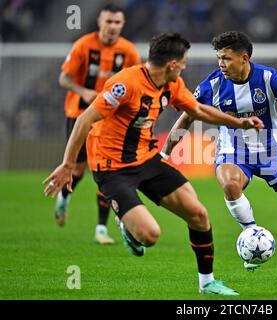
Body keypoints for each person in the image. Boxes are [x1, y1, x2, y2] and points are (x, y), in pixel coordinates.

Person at [43, 32, 263, 295]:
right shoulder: (125, 84)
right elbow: (84, 120)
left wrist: (239, 123)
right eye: (182, 62)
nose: (184, 66)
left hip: (147, 158)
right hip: (111, 166)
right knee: (150, 235)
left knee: (199, 215)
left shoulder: (172, 84)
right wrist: (68, 164)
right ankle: (124, 220)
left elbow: (198, 110)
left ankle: (207, 284)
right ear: (172, 64)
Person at [161, 31, 277, 282]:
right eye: (219, 58)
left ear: (244, 58)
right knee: (230, 183)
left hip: (270, 151)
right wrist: (164, 154)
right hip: (233, 150)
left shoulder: (269, 78)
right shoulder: (213, 84)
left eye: (226, 59)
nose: (221, 64)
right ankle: (253, 237)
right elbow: (186, 118)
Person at [57, 4, 141, 244]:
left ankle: (101, 228)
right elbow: (64, 77)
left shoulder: (128, 50)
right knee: (78, 170)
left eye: (117, 23)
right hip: (80, 114)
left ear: (122, 25)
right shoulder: (84, 45)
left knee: (106, 169)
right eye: (109, 22)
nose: (113, 27)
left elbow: (137, 80)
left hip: (109, 119)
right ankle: (63, 198)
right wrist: (82, 91)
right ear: (100, 23)